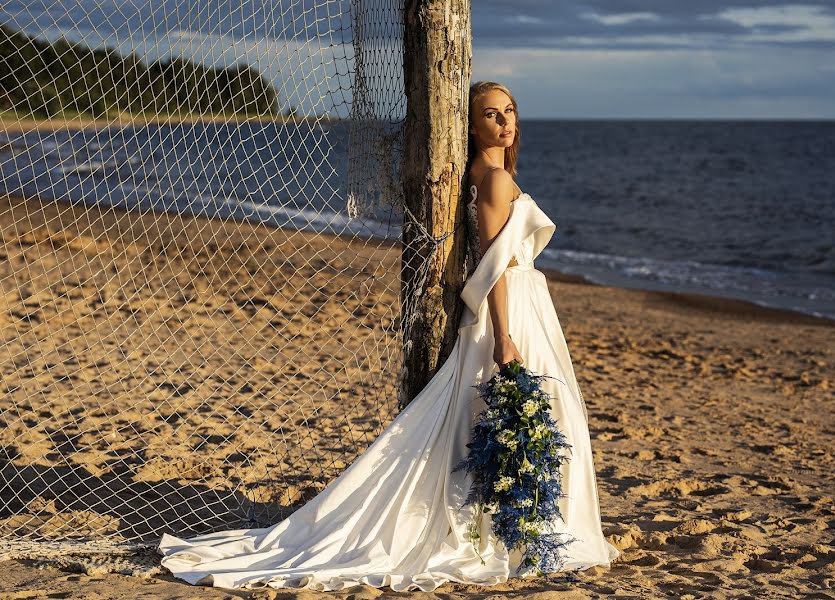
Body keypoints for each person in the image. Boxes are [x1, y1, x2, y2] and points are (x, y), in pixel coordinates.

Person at [157, 81, 620, 592]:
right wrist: (504, 337)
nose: (504, 121)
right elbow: (492, 268)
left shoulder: (491, 175)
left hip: (523, 305)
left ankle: (523, 526)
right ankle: (522, 531)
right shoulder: (491, 181)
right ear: (470, 126)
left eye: (509, 111)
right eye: (490, 114)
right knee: (533, 415)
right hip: (512, 312)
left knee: (520, 420)